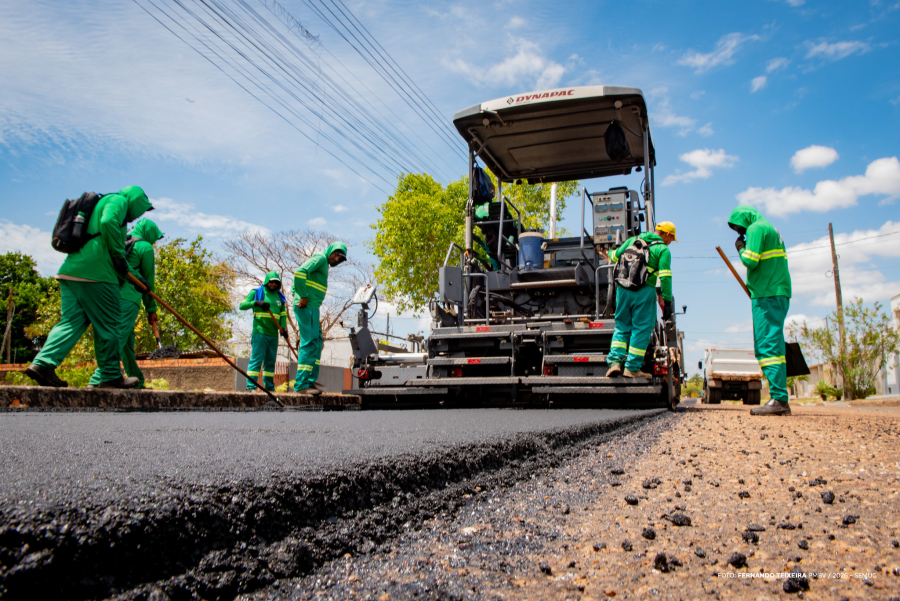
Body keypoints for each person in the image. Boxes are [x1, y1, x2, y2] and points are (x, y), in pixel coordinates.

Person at [26, 186, 153, 388]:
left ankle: (43, 364)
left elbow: (109, 249)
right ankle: (110, 376)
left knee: (70, 323)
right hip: (97, 276)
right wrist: (119, 258)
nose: (139, 215)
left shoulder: (98, 206)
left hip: (71, 271)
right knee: (109, 326)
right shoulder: (119, 201)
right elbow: (108, 223)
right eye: (142, 209)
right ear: (136, 201)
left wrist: (138, 279)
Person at [727, 206, 792, 416]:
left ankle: (779, 399)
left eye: (739, 228)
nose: (740, 233)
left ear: (745, 220)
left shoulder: (756, 229)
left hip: (767, 293)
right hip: (776, 291)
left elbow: (750, 261)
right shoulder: (769, 228)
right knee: (770, 344)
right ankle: (779, 397)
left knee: (767, 345)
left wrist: (740, 248)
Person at [86, 218, 164, 389]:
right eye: (155, 237)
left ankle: (137, 380)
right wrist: (151, 309)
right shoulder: (145, 248)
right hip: (128, 298)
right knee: (119, 336)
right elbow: (147, 283)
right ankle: (98, 379)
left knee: (126, 342)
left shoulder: (122, 242)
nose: (154, 241)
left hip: (109, 295)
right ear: (149, 233)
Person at [605, 221, 678, 379]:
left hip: (623, 290)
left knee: (622, 326)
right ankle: (632, 367)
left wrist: (610, 251)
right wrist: (667, 303)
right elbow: (665, 278)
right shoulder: (663, 250)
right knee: (641, 329)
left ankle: (614, 363)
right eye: (672, 239)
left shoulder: (634, 240)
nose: (671, 242)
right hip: (644, 291)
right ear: (667, 234)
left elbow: (615, 256)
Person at [292, 242, 347, 395]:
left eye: (340, 258)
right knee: (309, 342)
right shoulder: (320, 258)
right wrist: (302, 296)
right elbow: (299, 272)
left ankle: (310, 381)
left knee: (317, 342)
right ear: (330, 250)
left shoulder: (324, 264)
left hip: (313, 308)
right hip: (306, 306)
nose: (336, 258)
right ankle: (301, 385)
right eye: (336, 254)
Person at [239, 271, 288, 392]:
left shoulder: (280, 298)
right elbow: (242, 305)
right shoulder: (256, 293)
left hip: (273, 335)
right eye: (271, 281)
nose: (274, 284)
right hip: (260, 333)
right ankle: (251, 387)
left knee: (270, 363)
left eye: (276, 282)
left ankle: (270, 388)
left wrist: (283, 329)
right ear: (267, 281)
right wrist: (256, 303)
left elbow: (283, 315)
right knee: (256, 360)